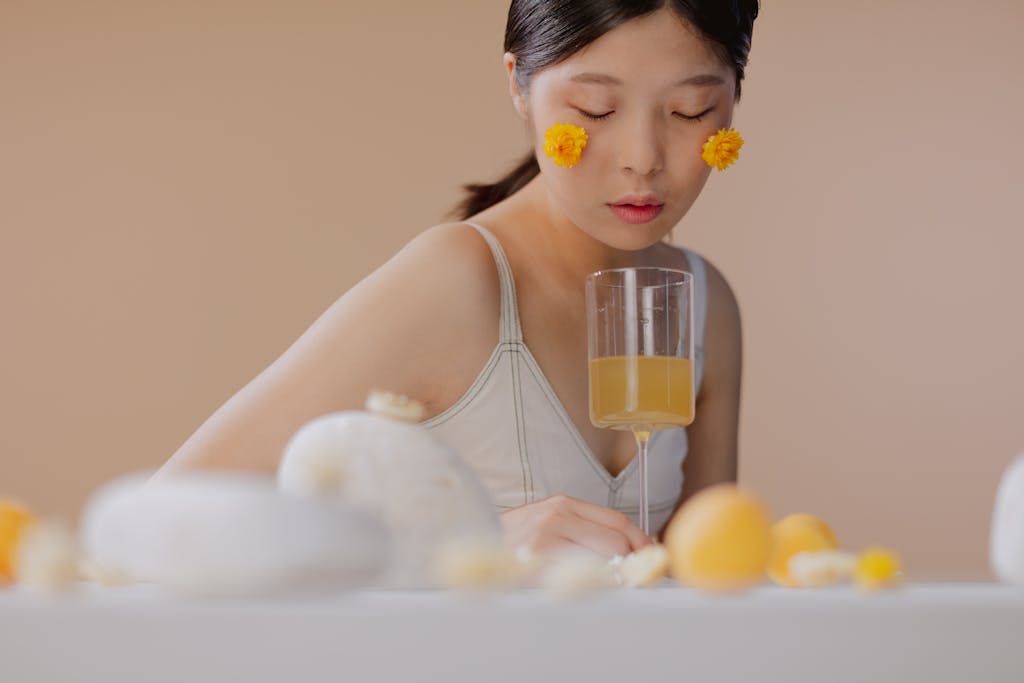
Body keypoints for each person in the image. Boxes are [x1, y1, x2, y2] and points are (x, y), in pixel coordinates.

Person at [156, 0, 758, 560]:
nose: (643, 157)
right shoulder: (457, 282)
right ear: (519, 85)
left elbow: (704, 576)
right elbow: (166, 515)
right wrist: (473, 544)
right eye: (596, 110)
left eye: (691, 111)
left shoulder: (706, 306)